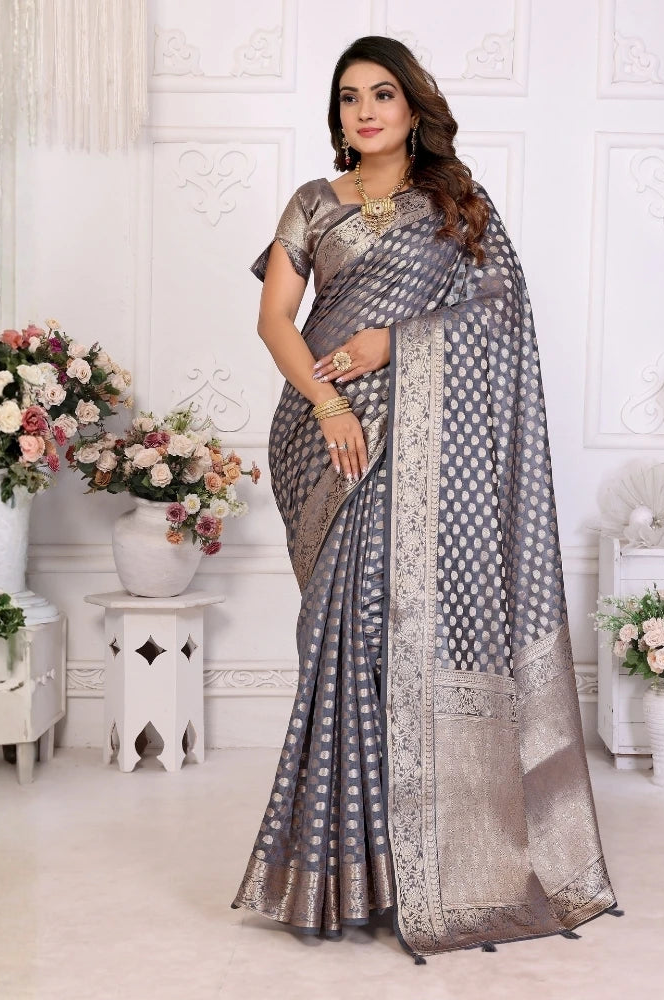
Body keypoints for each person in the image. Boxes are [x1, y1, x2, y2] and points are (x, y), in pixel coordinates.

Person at [232, 35, 619, 960]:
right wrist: (330, 398)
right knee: (335, 634)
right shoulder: (313, 204)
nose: (364, 112)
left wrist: (389, 342)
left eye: (382, 95)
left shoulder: (454, 206)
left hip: (424, 451)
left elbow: (497, 313)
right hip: (326, 441)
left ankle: (419, 864)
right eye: (348, 98)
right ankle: (344, 870)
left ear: (413, 107)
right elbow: (272, 320)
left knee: (379, 633)